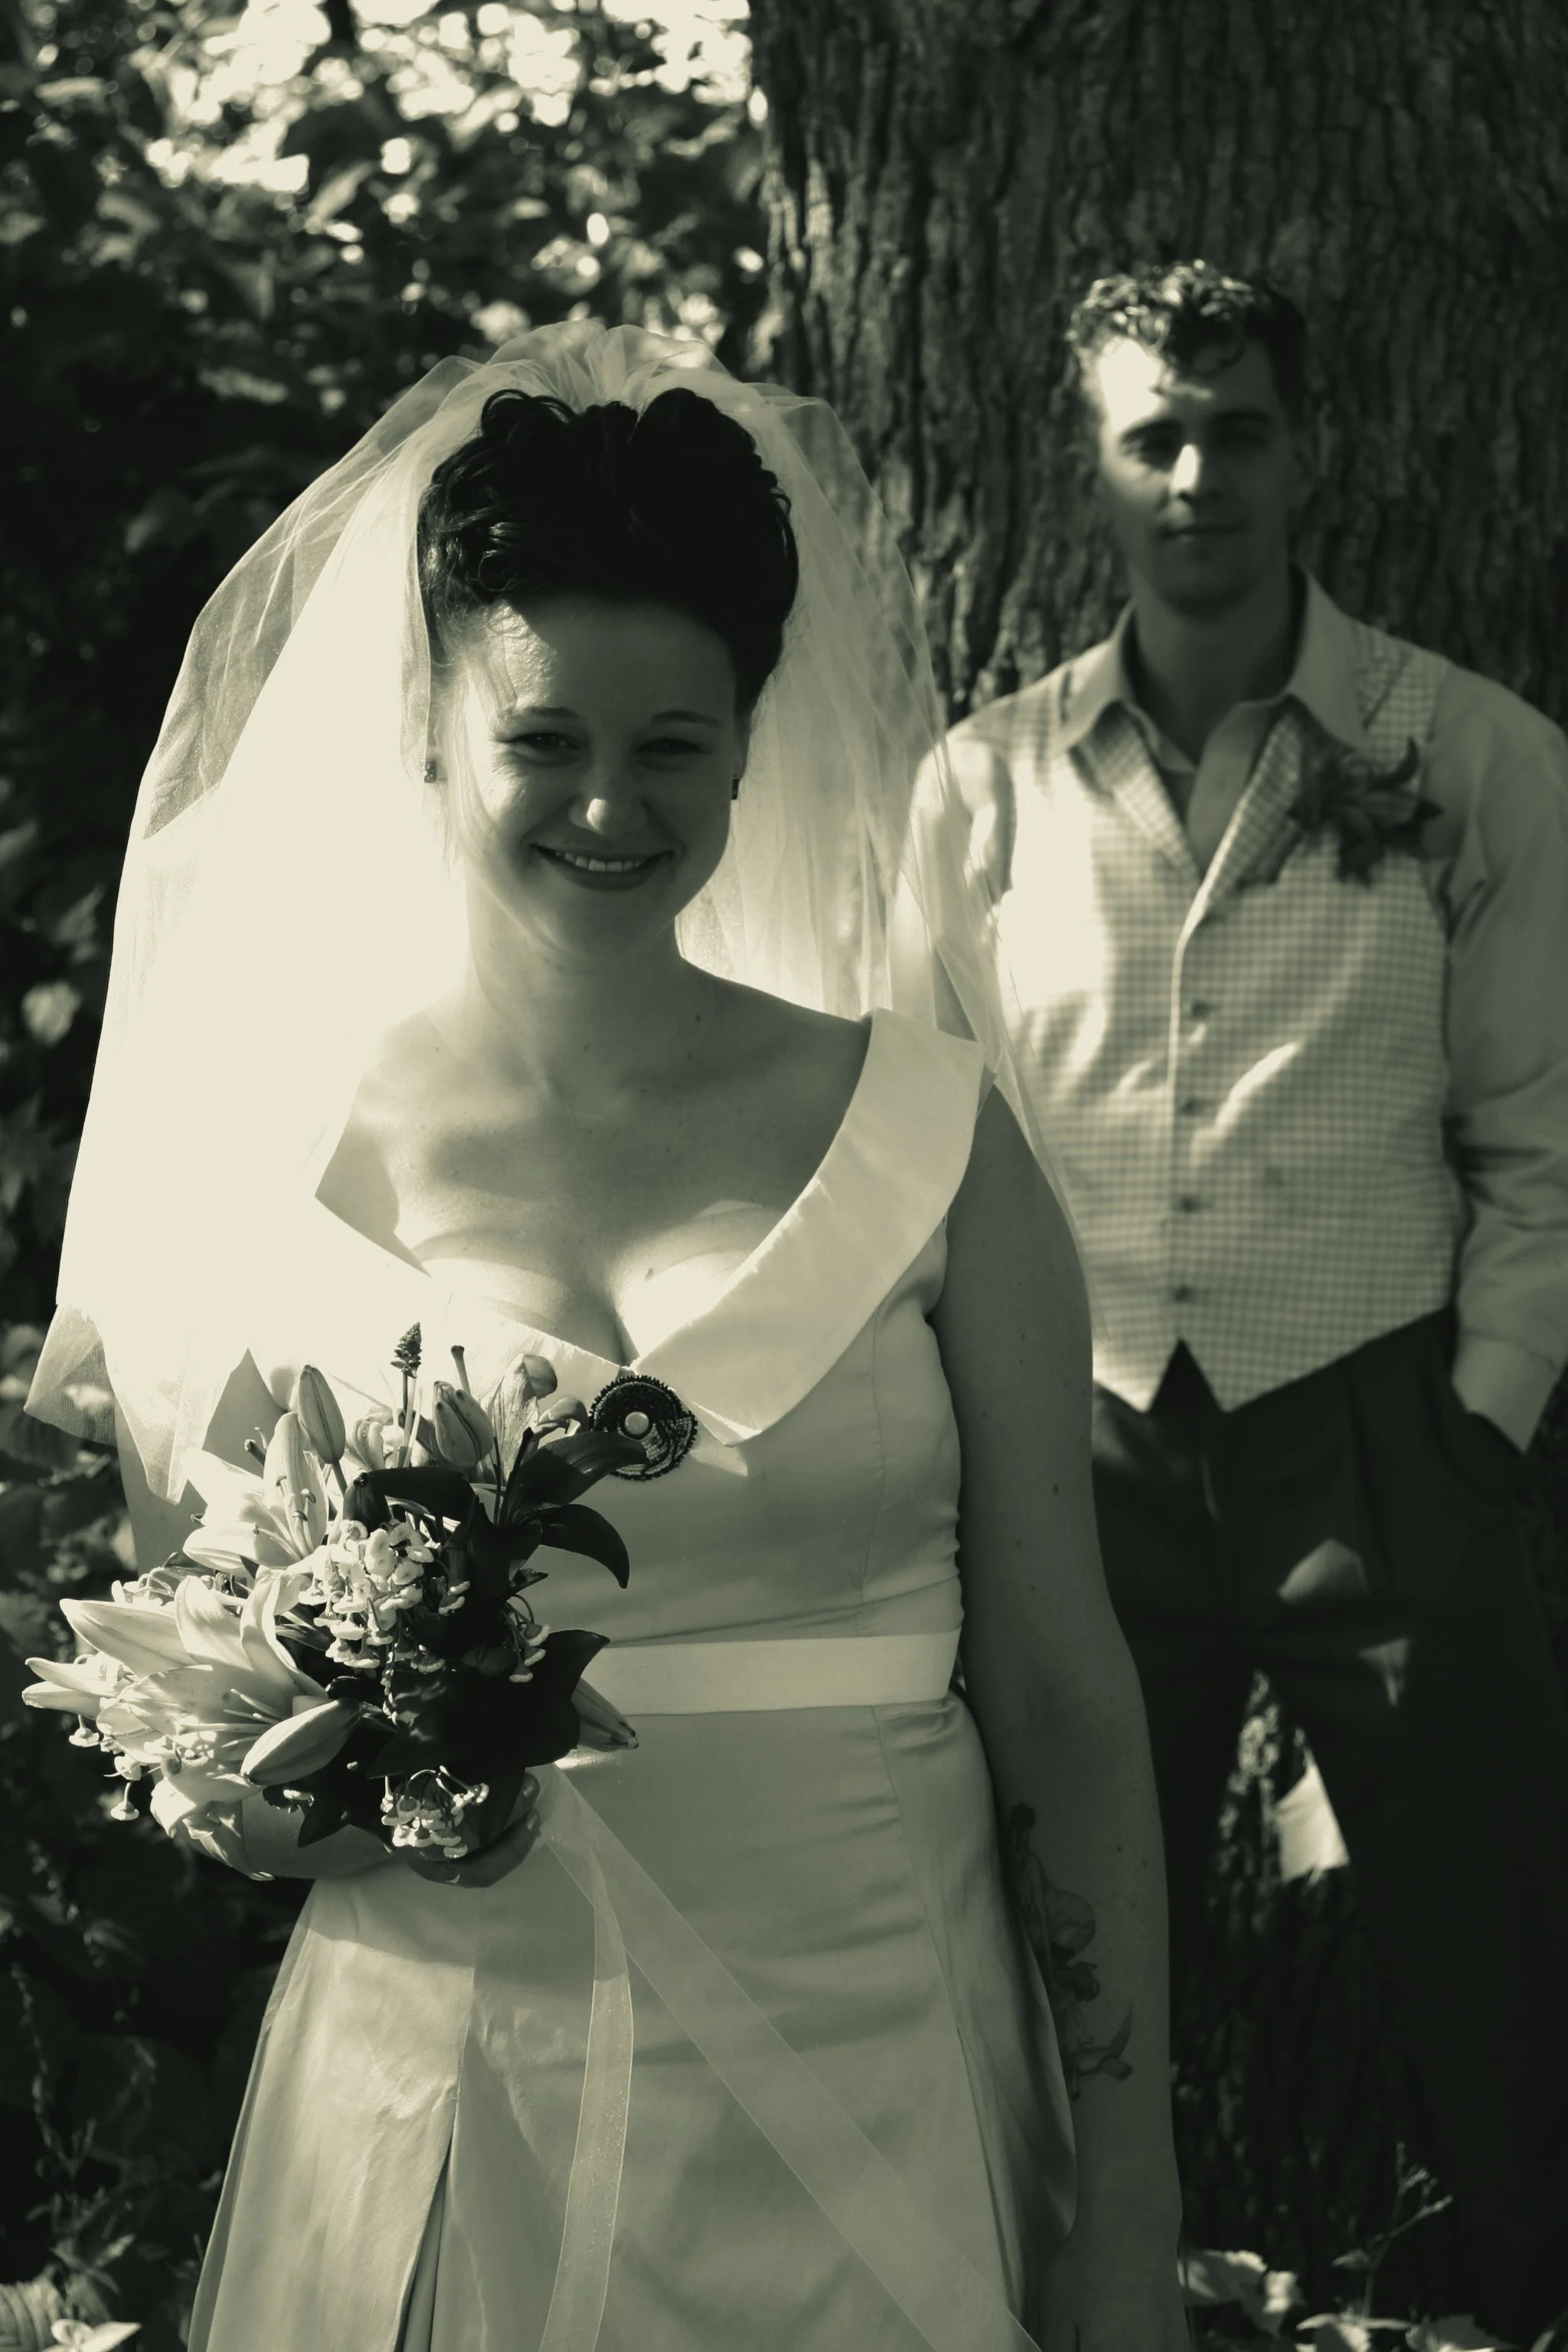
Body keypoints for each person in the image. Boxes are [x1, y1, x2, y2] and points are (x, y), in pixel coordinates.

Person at [26, 325, 1185, 2352]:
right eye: (542, 740)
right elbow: (185, 1684)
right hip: (451, 2090)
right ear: (433, 737)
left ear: (756, 739)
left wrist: (1130, 2194)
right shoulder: (278, 1167)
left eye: (673, 746)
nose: (607, 807)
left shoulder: (934, 1137)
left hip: (885, 2063)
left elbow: (1068, 1694)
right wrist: (246, 1792)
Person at [926, 260, 1568, 2335]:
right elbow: (928, 1143)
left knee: (1501, 1942)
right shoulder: (979, 791)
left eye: (1242, 432)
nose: (1199, 475)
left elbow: (1543, 1135)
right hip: (1074, 1444)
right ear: (1089, 467)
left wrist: (1480, 1415)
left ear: (1315, 451)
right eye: (1153, 436)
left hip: (1383, 1427)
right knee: (1055, 1937)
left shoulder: (1470, 756)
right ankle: (1057, 2304)